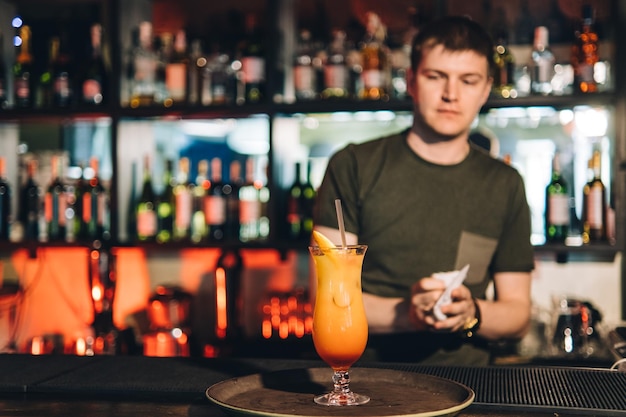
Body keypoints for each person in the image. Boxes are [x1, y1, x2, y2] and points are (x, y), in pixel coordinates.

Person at [312, 15, 534, 366]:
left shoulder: (505, 183)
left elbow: (518, 314)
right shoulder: (354, 165)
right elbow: (326, 300)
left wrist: (470, 312)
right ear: (411, 81)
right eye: (436, 77)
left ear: (486, 89)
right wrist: (409, 315)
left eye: (468, 80)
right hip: (369, 381)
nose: (451, 94)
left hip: (471, 386)